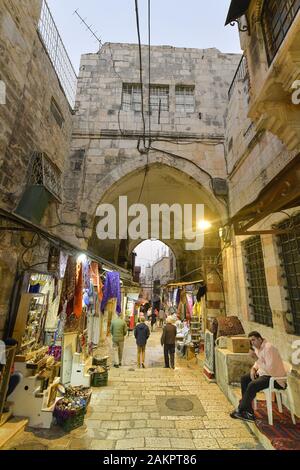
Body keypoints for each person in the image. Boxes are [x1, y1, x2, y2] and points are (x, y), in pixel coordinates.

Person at [230, 331, 287, 422]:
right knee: (244, 379)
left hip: (275, 378)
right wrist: (253, 369)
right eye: (250, 341)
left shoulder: (269, 348)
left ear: (260, 339)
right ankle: (249, 413)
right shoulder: (257, 348)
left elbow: (270, 369)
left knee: (252, 385)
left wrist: (256, 358)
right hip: (264, 374)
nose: (252, 343)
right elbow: (258, 363)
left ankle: (240, 409)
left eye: (253, 340)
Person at [0, 339, 23, 412]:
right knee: (6, 384)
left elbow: (10, 370)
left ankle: (3, 400)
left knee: (18, 376)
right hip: (1, 377)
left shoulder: (10, 356)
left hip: (5, 376)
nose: (15, 350)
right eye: (14, 348)